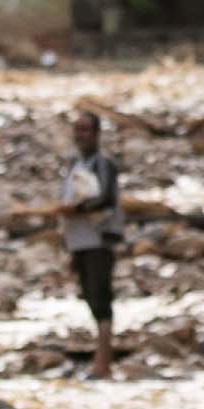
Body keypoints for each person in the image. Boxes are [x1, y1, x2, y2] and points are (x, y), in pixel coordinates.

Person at [60, 110, 125, 373]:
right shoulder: (76, 166)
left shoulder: (103, 164)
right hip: (79, 241)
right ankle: (101, 358)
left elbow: (107, 198)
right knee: (89, 296)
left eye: (85, 130)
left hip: (99, 239)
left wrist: (77, 210)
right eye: (77, 129)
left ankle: (103, 363)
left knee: (100, 299)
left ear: (97, 134)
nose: (80, 135)